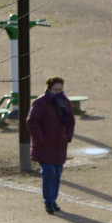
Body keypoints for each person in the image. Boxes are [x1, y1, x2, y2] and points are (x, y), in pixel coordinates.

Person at [26, 76, 76, 214]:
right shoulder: (41, 103)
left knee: (57, 173)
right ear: (49, 88)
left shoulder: (64, 101)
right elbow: (32, 122)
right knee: (49, 174)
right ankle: (48, 201)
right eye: (55, 89)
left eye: (60, 89)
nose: (58, 92)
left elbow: (71, 120)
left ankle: (53, 200)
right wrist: (40, 139)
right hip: (45, 146)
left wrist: (68, 136)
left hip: (60, 146)